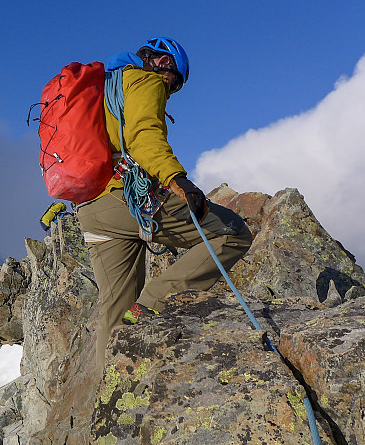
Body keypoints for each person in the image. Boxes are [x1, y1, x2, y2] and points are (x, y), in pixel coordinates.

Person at [75, 37, 253, 363]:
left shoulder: (103, 89)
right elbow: (144, 135)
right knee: (233, 232)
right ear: (163, 63)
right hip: (128, 200)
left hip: (92, 210)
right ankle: (156, 299)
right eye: (174, 82)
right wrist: (178, 179)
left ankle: (106, 395)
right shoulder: (145, 80)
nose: (170, 91)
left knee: (115, 314)